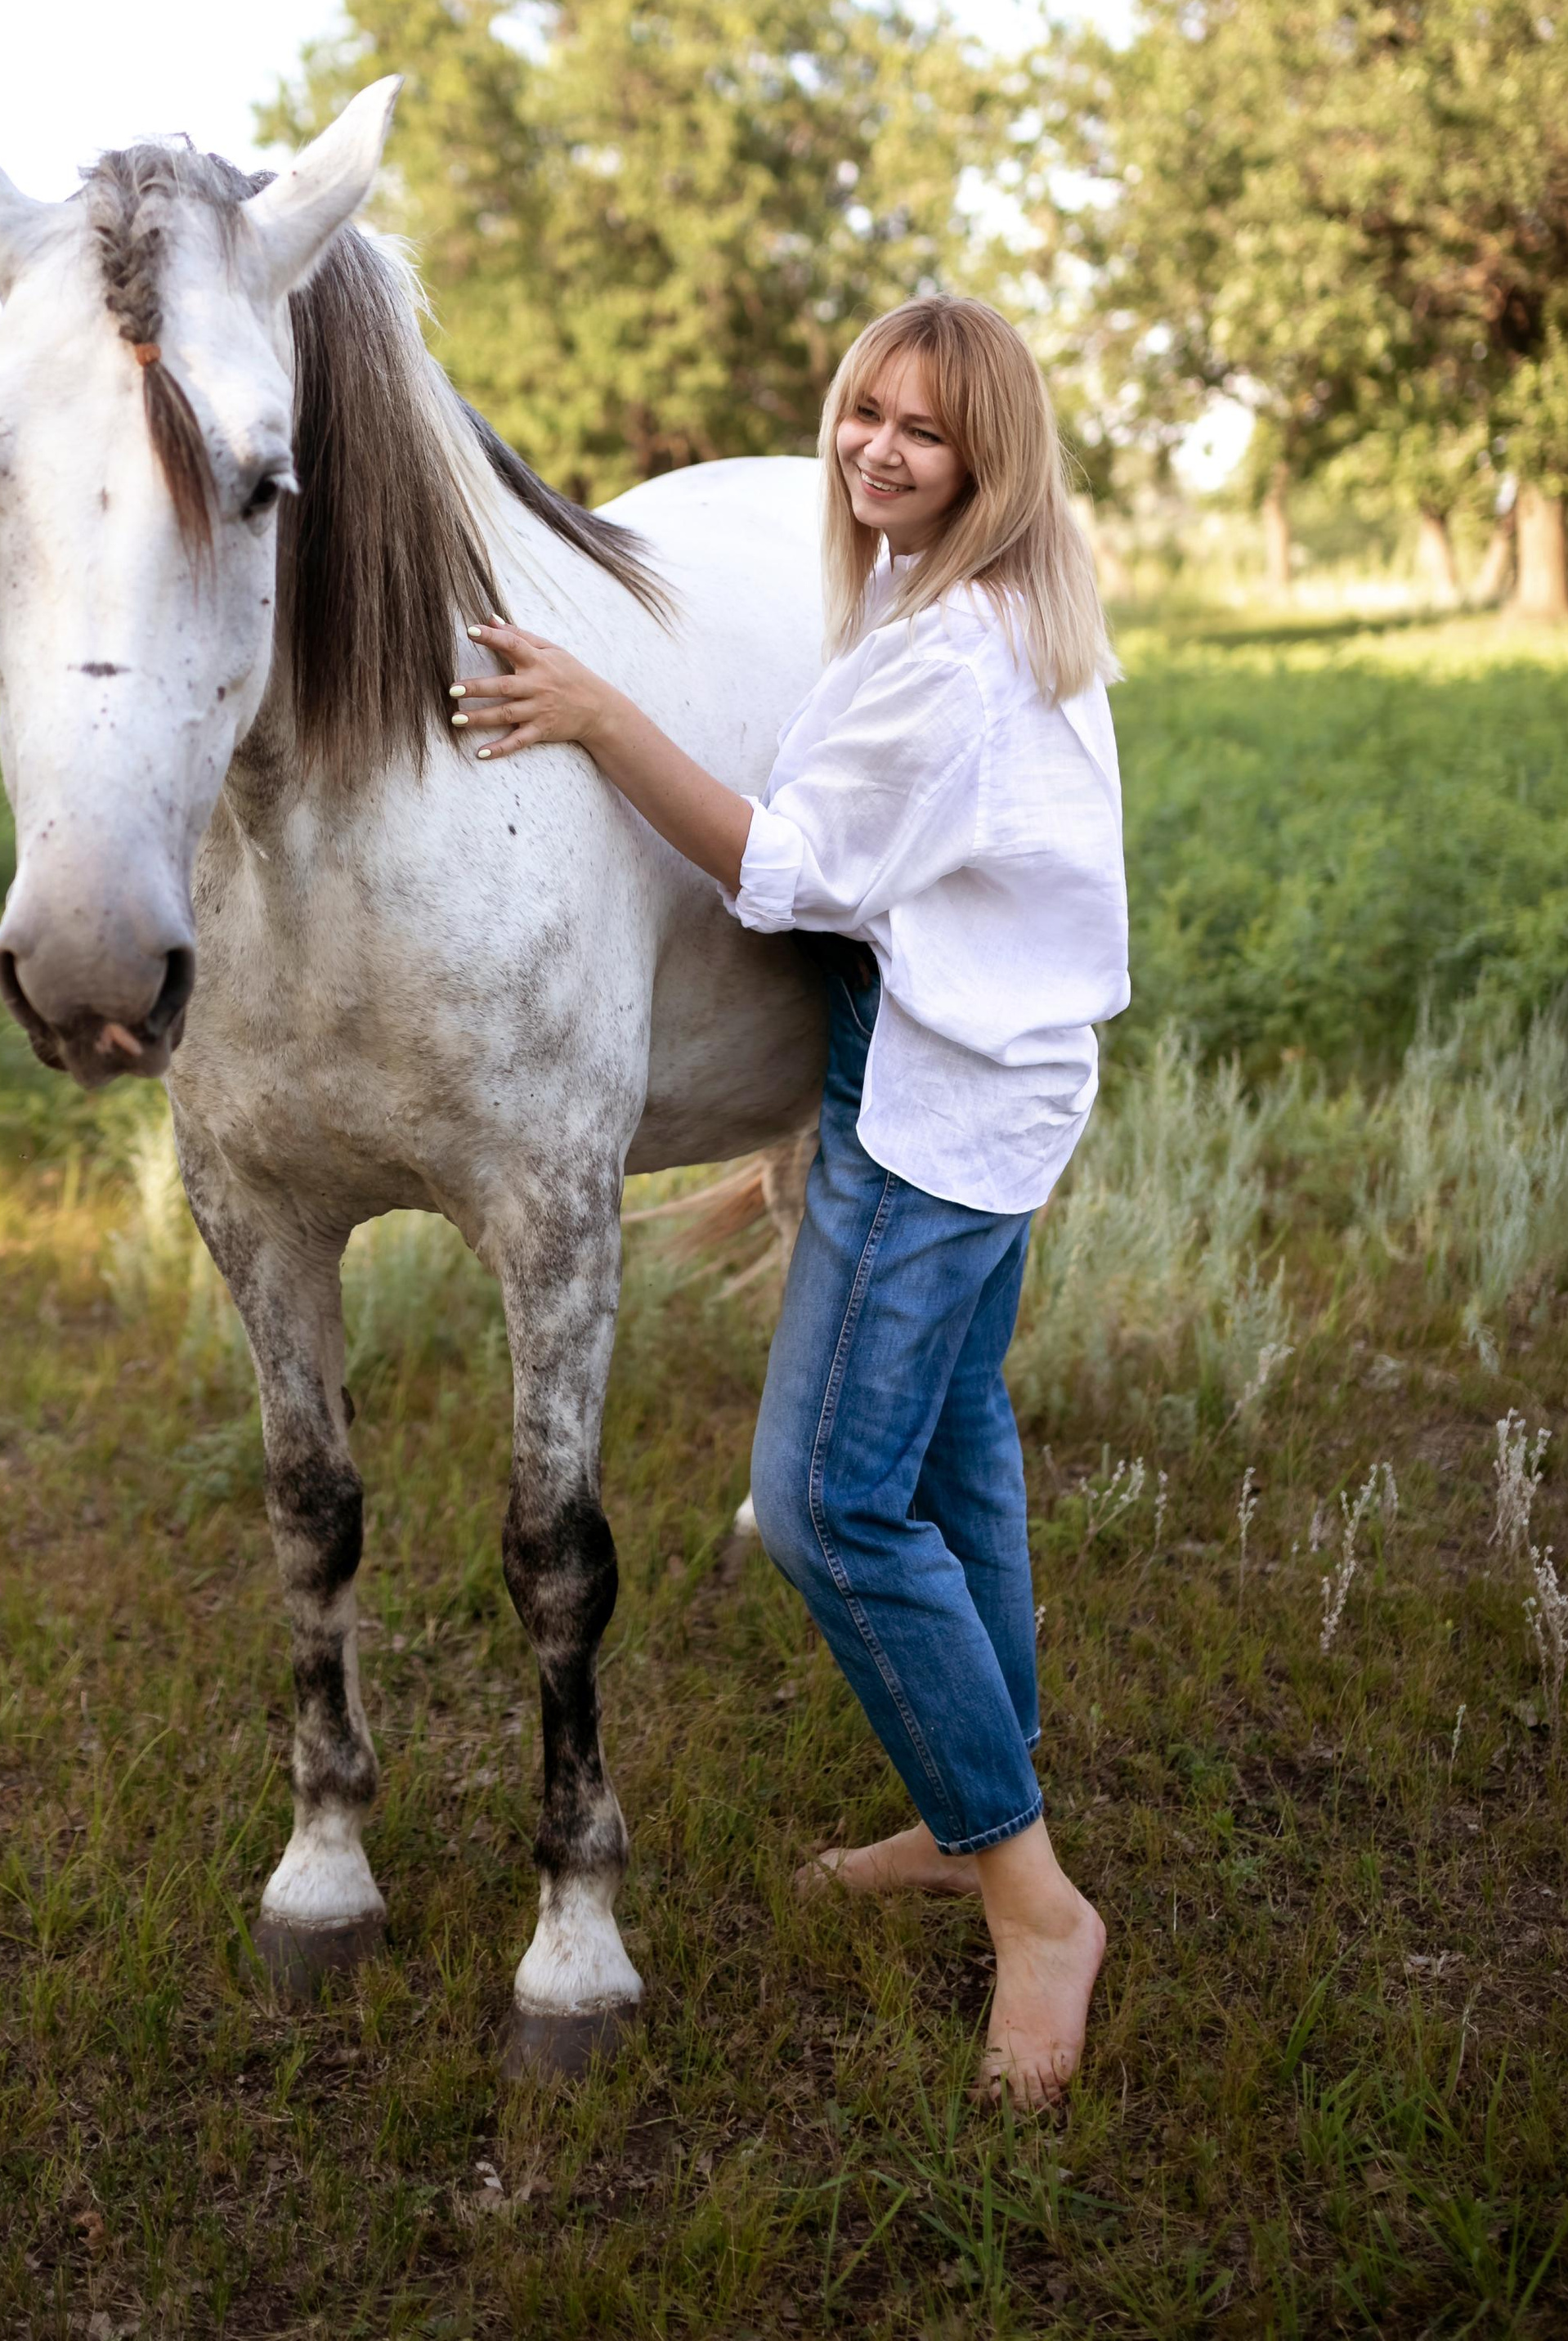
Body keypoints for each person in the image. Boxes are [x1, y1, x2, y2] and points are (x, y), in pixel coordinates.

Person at [447, 294, 1128, 2106]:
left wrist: (597, 716)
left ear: (988, 457)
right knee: (947, 1452)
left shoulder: (948, 653)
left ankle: (1031, 1903)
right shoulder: (947, 602)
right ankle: (962, 1808)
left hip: (936, 1106)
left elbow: (779, 871)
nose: (875, 449)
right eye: (861, 415)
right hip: (961, 1071)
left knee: (820, 1506)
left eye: (921, 430)